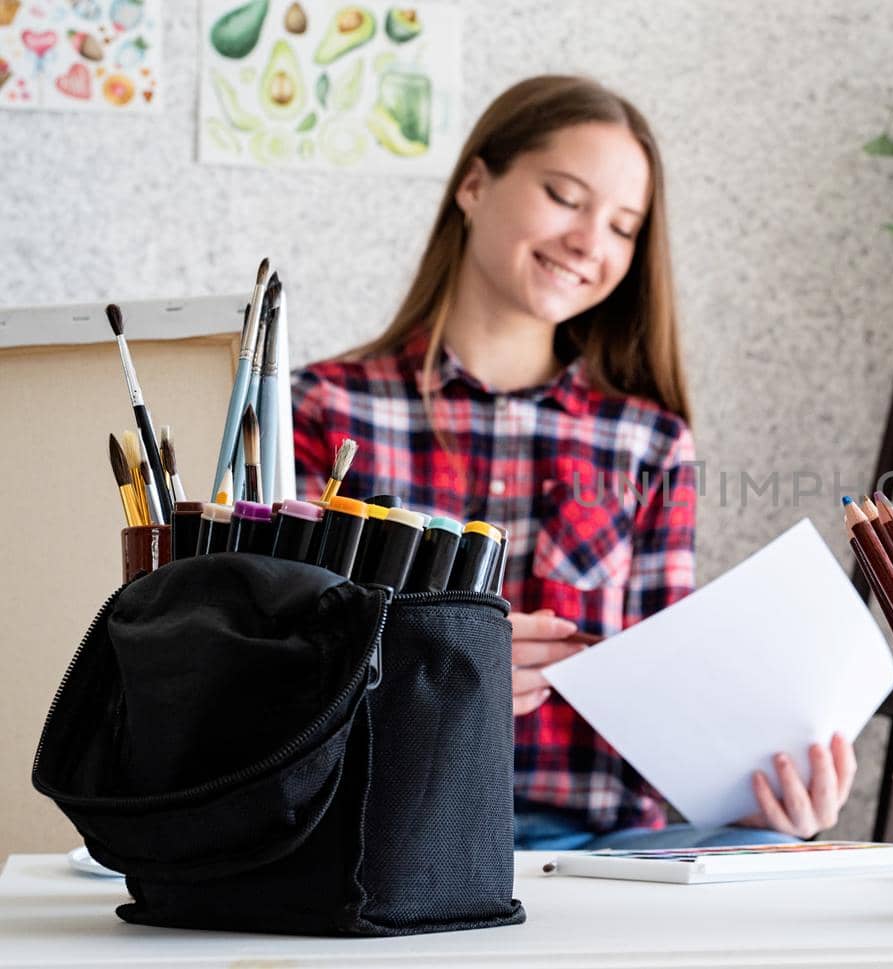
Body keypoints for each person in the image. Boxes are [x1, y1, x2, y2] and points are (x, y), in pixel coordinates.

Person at [292, 76, 857, 850]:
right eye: (565, 195)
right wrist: (446, 663)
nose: (591, 243)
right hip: (378, 825)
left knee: (774, 851)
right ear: (474, 183)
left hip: (595, 844)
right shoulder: (325, 408)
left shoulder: (648, 442)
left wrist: (760, 797)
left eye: (624, 227)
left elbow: (673, 693)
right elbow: (283, 662)